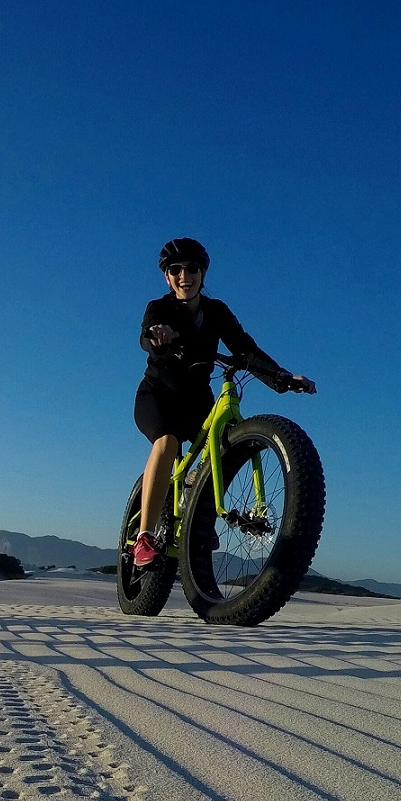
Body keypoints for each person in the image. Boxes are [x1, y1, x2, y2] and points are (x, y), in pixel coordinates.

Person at [130, 238, 314, 567]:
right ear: (167, 278)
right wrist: (158, 337)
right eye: (176, 270)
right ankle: (143, 538)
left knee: (222, 440)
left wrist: (283, 378)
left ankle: (197, 506)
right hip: (158, 395)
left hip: (198, 397)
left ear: (203, 273)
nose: (184, 275)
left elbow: (245, 349)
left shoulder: (217, 312)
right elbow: (148, 335)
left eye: (192, 268)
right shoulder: (160, 308)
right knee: (168, 441)